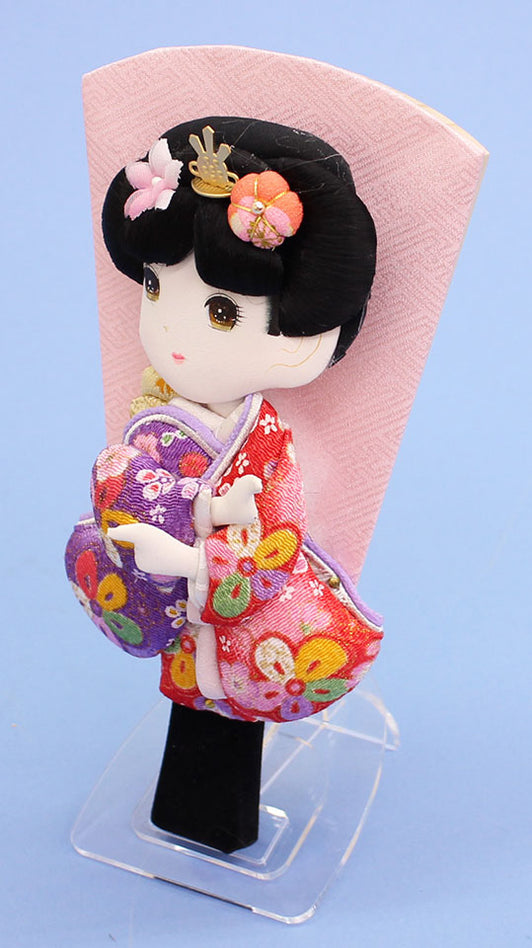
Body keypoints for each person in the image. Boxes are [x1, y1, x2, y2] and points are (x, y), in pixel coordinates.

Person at [65, 116, 383, 849]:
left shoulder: (263, 440)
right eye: (154, 286)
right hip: (179, 621)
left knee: (231, 721)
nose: (174, 335)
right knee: (187, 705)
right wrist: (168, 511)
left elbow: (278, 540)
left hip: (238, 626)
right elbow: (120, 481)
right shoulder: (156, 415)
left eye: (219, 312)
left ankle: (222, 820)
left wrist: (189, 556)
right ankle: (186, 813)